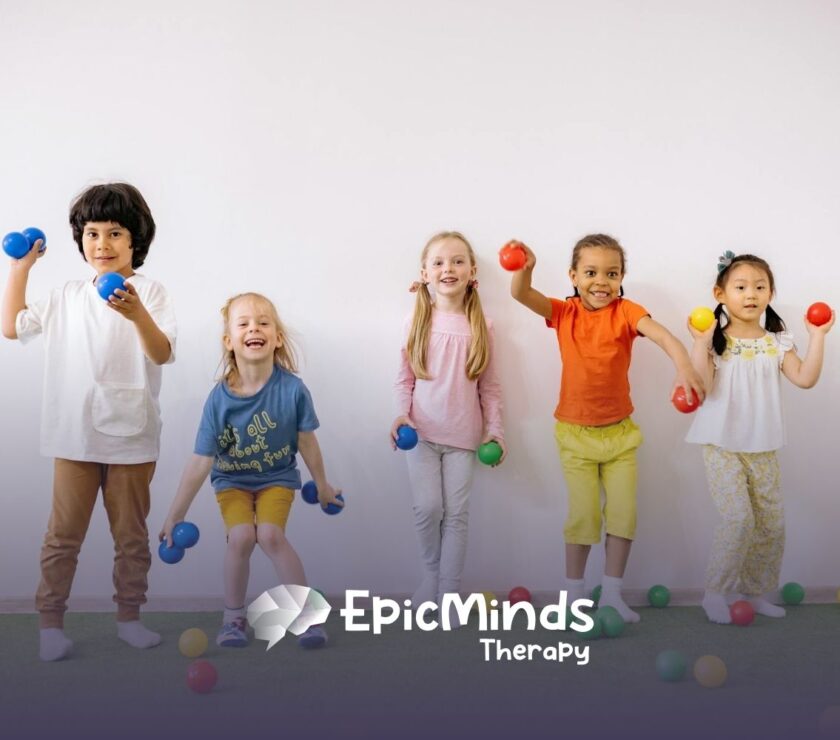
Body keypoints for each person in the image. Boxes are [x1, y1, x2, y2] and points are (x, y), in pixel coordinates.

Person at [1, 182, 176, 660]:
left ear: (136, 239)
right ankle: (50, 626)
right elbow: (12, 327)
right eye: (93, 233)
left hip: (133, 437)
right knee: (63, 537)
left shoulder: (151, 293)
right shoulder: (65, 296)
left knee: (131, 537)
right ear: (80, 240)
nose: (102, 244)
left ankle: (129, 618)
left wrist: (137, 313)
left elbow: (161, 352)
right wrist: (21, 267)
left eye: (115, 233)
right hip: (74, 436)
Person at [510, 233, 704, 623]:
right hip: (575, 435)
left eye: (612, 273)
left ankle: (612, 594)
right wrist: (525, 270)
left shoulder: (627, 311)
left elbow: (663, 335)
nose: (602, 281)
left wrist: (684, 367)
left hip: (620, 436)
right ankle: (574, 595)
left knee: (623, 515)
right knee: (583, 517)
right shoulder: (564, 312)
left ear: (621, 278)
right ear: (574, 275)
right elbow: (521, 295)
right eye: (592, 272)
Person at [160, 292, 340, 648]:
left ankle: (307, 619)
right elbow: (200, 461)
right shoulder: (219, 399)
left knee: (270, 536)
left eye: (263, 322)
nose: (253, 328)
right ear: (229, 341)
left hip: (277, 478)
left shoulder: (293, 390)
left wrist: (323, 486)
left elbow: (308, 443)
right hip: (232, 482)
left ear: (277, 338)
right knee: (242, 537)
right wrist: (173, 516)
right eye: (243, 323)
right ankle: (233, 619)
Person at [686, 252, 833, 623]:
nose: (750, 294)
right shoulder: (718, 342)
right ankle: (715, 593)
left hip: (763, 446)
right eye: (740, 287)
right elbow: (701, 386)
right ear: (720, 294)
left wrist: (817, 336)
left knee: (771, 523)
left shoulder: (777, 342)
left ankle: (752, 593)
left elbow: (805, 378)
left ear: (770, 293)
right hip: (721, 445)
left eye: (759, 286)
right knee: (737, 520)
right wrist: (700, 342)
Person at [392, 231, 505, 624]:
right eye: (438, 262)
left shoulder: (482, 326)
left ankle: (450, 592)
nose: (448, 269)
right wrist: (400, 415)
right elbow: (404, 379)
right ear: (424, 273)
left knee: (457, 514)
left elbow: (489, 387)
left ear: (472, 272)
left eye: (457, 261)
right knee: (428, 508)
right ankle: (430, 578)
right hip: (420, 435)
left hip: (463, 438)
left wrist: (496, 432)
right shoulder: (415, 320)